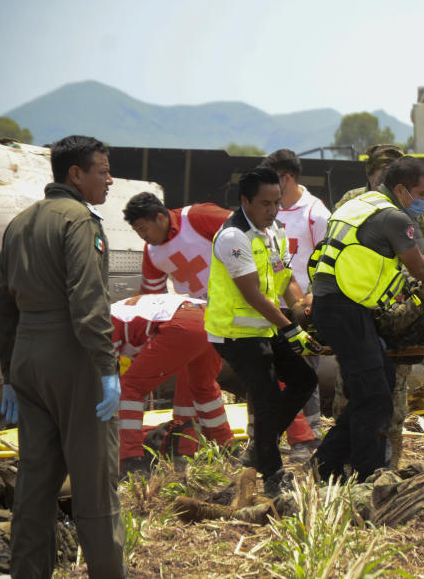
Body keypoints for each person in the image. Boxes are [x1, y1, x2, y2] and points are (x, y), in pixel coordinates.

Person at [0, 135, 126, 577]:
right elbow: (88, 302)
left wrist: (10, 372)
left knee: (35, 481)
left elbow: (0, 305)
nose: (109, 179)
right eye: (103, 170)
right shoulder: (80, 222)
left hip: (28, 358)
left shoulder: (21, 223)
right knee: (95, 482)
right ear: (76, 174)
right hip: (74, 359)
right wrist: (106, 368)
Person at [123, 191, 319, 463]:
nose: (143, 237)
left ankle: (301, 440)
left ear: (160, 217)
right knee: (193, 382)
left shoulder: (198, 217)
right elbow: (151, 296)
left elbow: (248, 234)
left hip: (242, 310)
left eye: (144, 229)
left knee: (268, 375)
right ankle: (196, 450)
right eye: (137, 232)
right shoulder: (152, 252)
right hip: (201, 320)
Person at [308, 156, 424, 482]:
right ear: (401, 189)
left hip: (339, 306)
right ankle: (369, 477)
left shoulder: (362, 203)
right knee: (376, 399)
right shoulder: (393, 216)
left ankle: (326, 465)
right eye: (422, 194)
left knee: (374, 386)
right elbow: (419, 269)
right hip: (344, 311)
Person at [204, 166, 320, 495]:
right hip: (235, 334)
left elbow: (285, 279)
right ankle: (273, 476)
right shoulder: (232, 237)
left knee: (304, 379)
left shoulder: (275, 230)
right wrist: (292, 329)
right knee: (267, 400)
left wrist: (301, 308)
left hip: (265, 327)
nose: (272, 210)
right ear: (245, 201)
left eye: (276, 203)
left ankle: (260, 445)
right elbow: (251, 293)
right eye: (265, 204)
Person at [113, 293, 234, 477]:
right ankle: (228, 450)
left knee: (131, 389)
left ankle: (131, 461)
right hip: (212, 319)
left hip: (182, 323)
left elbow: (105, 376)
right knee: (204, 388)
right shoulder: (122, 313)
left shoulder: (102, 324)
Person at [260, 148, 330, 446]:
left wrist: (312, 301)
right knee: (268, 374)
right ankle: (270, 438)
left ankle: (310, 438)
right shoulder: (267, 212)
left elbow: (328, 262)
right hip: (269, 307)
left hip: (302, 309)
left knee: (305, 373)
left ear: (286, 178)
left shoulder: (316, 214)